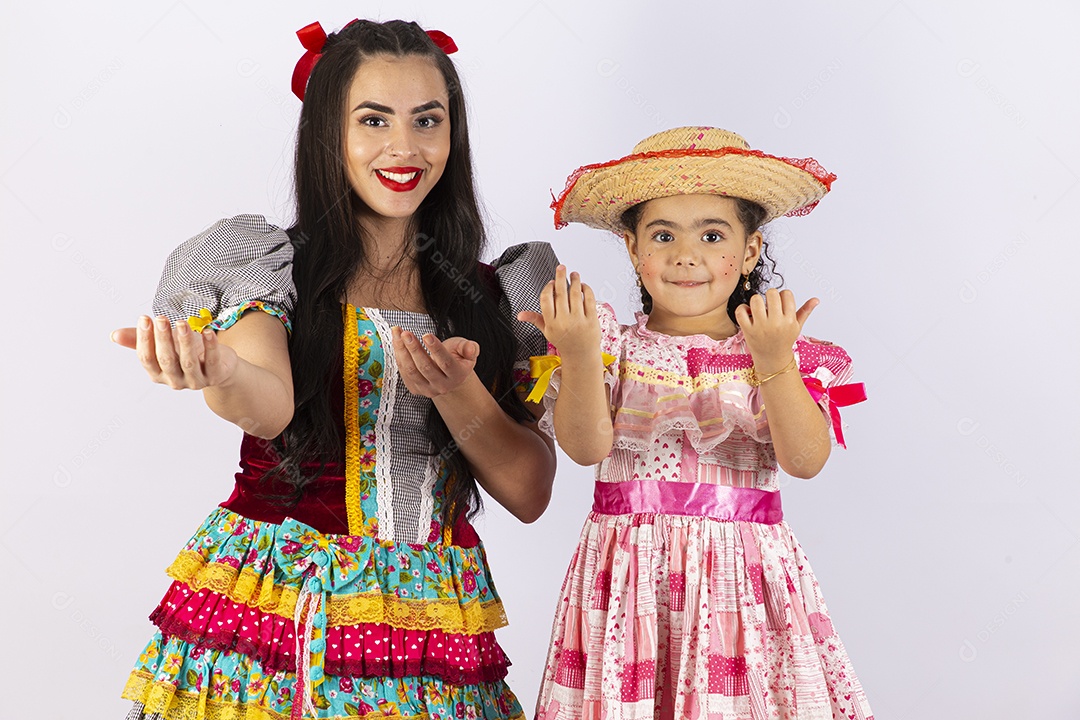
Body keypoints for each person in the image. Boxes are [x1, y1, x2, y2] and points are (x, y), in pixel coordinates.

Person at [110, 19, 558, 720]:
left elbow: (531, 495)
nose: (404, 148)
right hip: (286, 610)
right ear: (328, 133)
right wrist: (221, 368)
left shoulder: (496, 295)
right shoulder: (272, 266)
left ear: (453, 134)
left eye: (427, 120)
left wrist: (458, 393)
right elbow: (268, 404)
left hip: (431, 626)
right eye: (373, 120)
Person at [520, 127, 873, 719]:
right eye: (664, 235)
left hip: (741, 584)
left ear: (751, 251)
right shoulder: (612, 348)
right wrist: (579, 356)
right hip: (628, 578)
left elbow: (806, 461)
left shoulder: (774, 352)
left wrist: (776, 360)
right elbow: (585, 449)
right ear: (633, 249)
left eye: (713, 235)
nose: (687, 255)